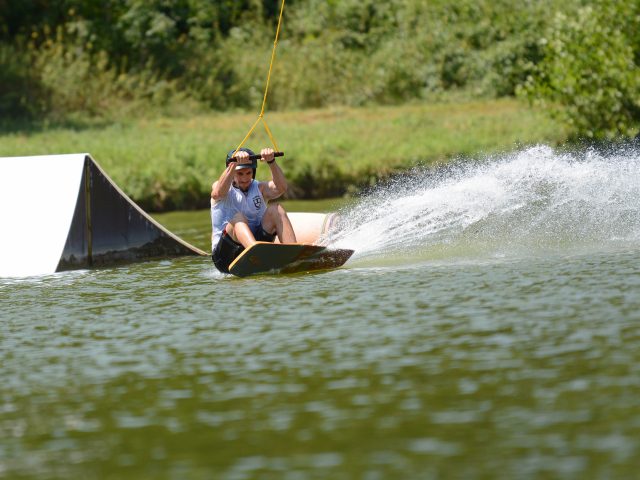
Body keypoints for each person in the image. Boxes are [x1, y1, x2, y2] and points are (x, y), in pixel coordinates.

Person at [210, 147, 297, 273]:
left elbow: (281, 188)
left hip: (256, 245)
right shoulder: (221, 187)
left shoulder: (260, 188)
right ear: (232, 172)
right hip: (225, 258)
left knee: (276, 209)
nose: (245, 179)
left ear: (253, 172)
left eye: (248, 173)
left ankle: (293, 255)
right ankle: (257, 253)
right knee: (238, 217)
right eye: (240, 174)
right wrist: (234, 164)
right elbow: (217, 193)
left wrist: (271, 162)